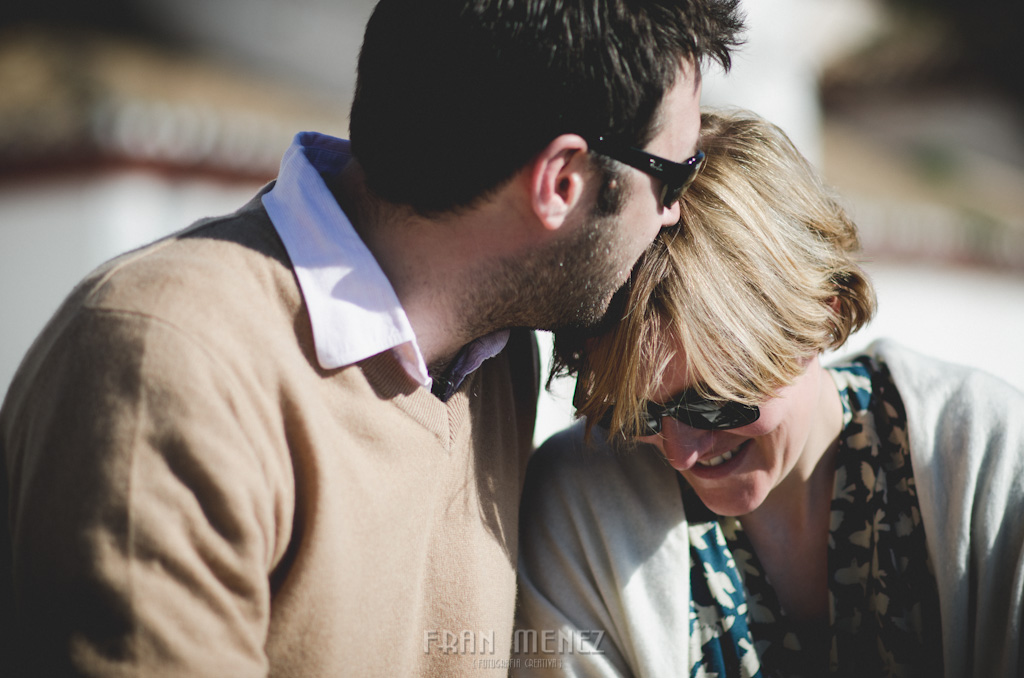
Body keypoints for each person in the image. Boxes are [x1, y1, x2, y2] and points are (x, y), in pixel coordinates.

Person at [0, 2, 745, 675]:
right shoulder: (168, 366)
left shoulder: (496, 357)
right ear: (560, 182)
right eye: (672, 179)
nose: (672, 216)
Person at [514, 110, 1024, 677]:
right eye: (639, 414)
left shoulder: (989, 459)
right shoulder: (579, 508)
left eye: (713, 400)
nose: (681, 451)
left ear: (817, 318)